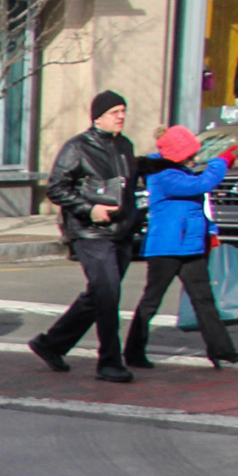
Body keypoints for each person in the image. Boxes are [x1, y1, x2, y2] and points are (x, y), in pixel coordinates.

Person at [32, 92, 144, 382]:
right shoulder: (77, 147)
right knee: (108, 294)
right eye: (115, 111)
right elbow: (56, 188)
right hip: (90, 232)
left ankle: (52, 343)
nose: (121, 116)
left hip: (120, 233)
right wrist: (89, 209)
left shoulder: (125, 146)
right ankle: (109, 361)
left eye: (123, 110)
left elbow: (130, 182)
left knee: (100, 295)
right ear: (98, 117)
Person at [124, 126, 238, 369]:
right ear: (177, 154)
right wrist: (221, 161)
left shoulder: (176, 171)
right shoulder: (164, 176)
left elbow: (195, 205)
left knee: (204, 300)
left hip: (188, 245)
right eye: (190, 154)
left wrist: (210, 230)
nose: (195, 159)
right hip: (166, 248)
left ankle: (222, 349)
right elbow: (202, 185)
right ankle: (133, 352)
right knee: (151, 301)